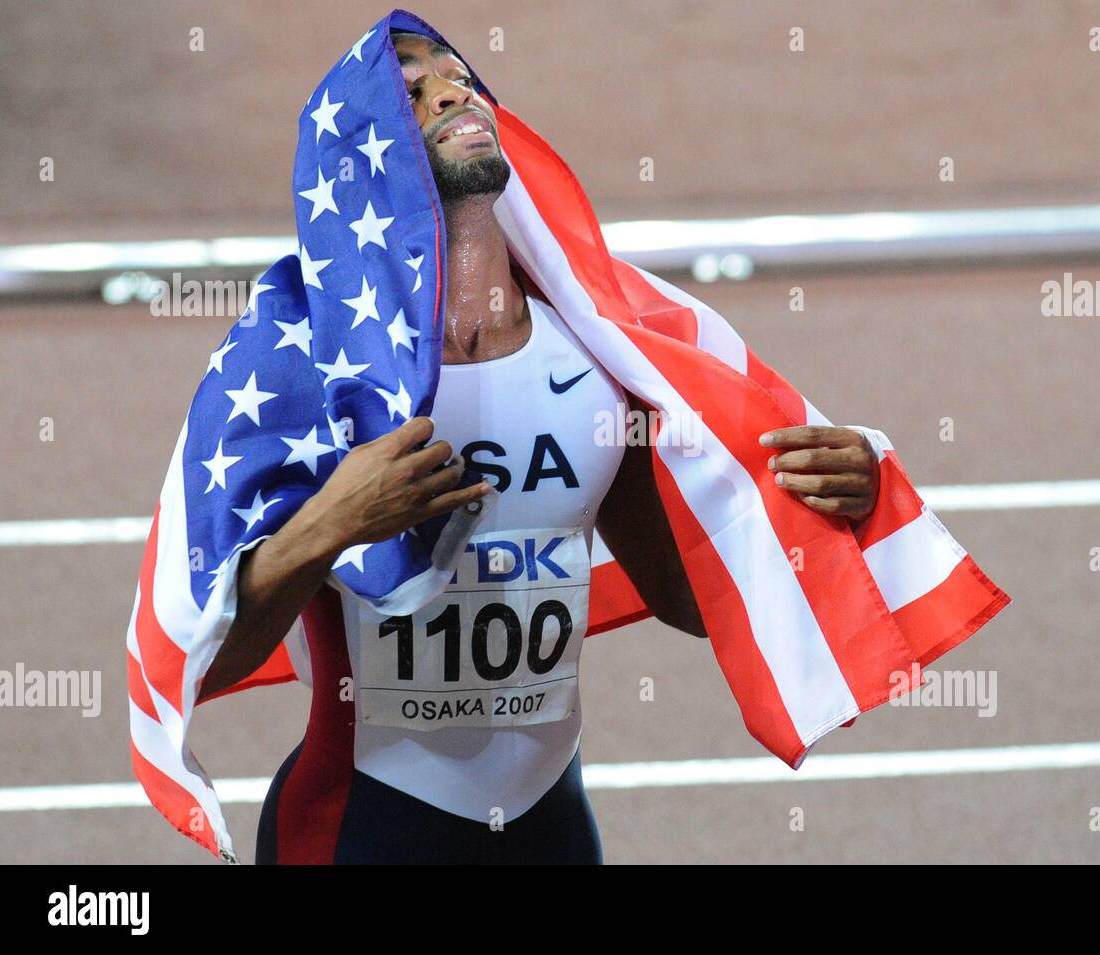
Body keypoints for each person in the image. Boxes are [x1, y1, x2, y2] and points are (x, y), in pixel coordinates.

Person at [195, 30, 881, 864]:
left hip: (549, 829)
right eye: (411, 92)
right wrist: (333, 521)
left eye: (460, 77)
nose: (452, 93)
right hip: (360, 831)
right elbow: (207, 661)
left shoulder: (595, 351)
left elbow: (687, 599)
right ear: (358, 156)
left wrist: (836, 497)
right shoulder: (304, 364)